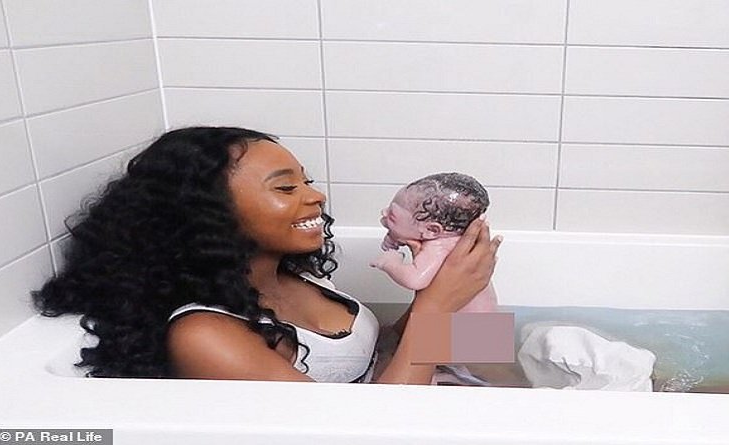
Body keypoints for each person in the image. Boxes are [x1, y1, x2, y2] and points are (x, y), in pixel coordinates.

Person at [32, 127, 501, 384]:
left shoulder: (297, 277)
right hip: (399, 424)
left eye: (306, 180)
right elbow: (366, 433)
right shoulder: (205, 336)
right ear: (209, 213)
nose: (316, 196)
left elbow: (389, 351)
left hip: (426, 397)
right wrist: (436, 304)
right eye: (285, 188)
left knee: (539, 353)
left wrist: (452, 293)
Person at [371, 172, 498, 313]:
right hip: (485, 323)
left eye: (392, 215)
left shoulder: (438, 248)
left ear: (431, 230)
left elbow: (415, 280)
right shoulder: (456, 241)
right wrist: (395, 235)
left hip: (463, 326)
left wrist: (389, 263)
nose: (384, 212)